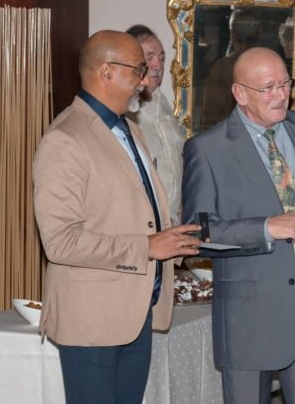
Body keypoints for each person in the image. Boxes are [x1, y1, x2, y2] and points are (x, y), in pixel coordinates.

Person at [33, 30, 202, 404]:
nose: (144, 81)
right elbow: (60, 242)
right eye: (138, 69)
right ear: (106, 71)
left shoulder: (130, 130)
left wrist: (173, 240)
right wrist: (147, 248)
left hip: (136, 311)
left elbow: (133, 213)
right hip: (92, 319)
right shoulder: (65, 138)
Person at [181, 47, 295, 403]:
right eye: (268, 87)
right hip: (250, 313)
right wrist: (266, 227)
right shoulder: (208, 149)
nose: (280, 94)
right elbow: (198, 231)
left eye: (285, 84)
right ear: (240, 93)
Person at [126, 24, 186, 225]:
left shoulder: (165, 106)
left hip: (173, 224)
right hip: (140, 227)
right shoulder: (123, 110)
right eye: (149, 57)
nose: (158, 66)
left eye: (161, 58)